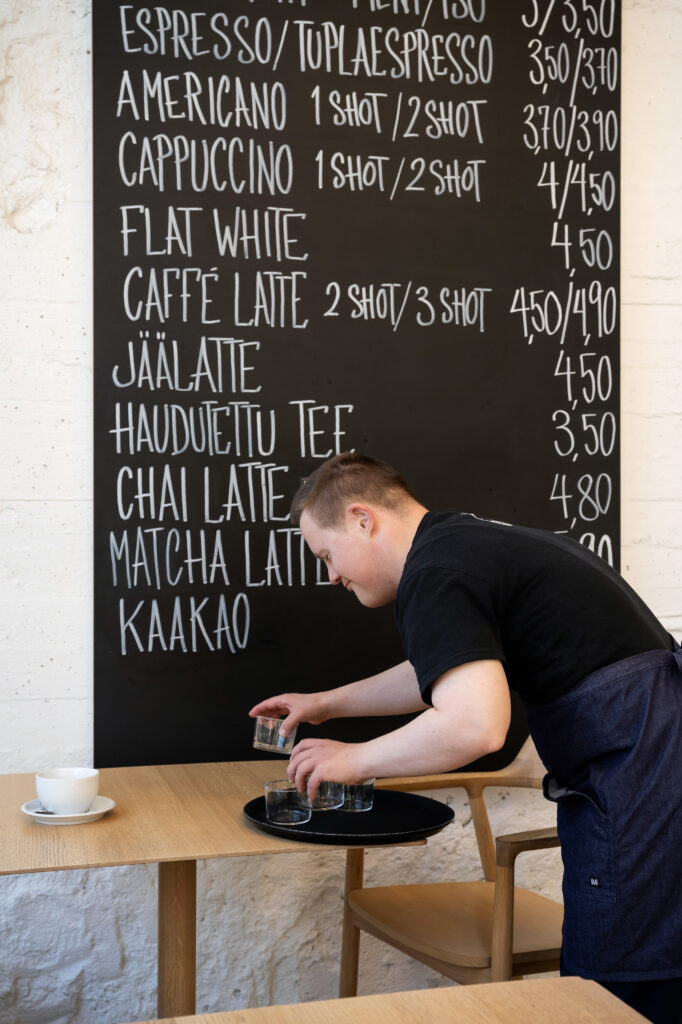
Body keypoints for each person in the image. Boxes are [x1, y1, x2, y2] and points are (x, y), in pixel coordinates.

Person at [249, 452, 682, 1024]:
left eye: (327, 555)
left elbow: (475, 725)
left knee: (619, 990)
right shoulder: (457, 545)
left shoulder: (436, 572)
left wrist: (355, 760)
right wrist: (327, 704)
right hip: (651, 750)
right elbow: (449, 664)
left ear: (362, 518)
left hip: (641, 769)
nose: (330, 576)